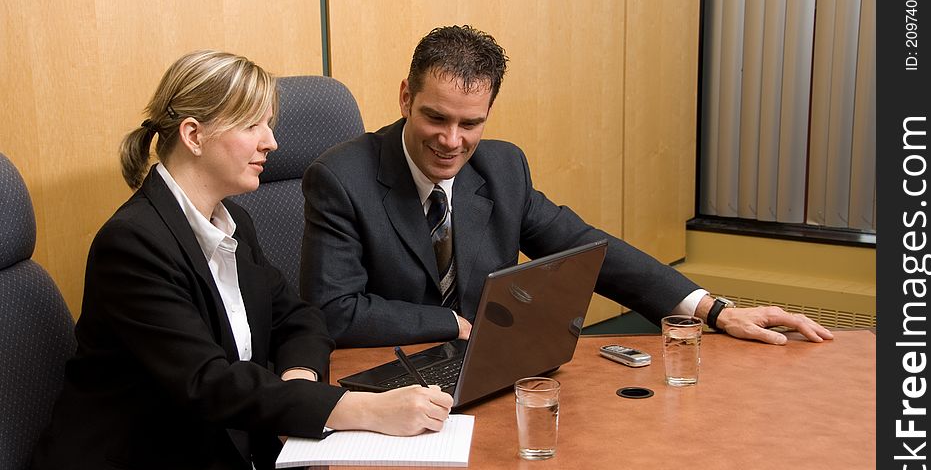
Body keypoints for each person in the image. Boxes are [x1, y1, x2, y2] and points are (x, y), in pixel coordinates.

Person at [12, 50, 452, 470]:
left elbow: (300, 316)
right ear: (194, 135)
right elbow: (207, 382)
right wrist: (360, 409)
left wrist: (301, 377)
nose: (272, 142)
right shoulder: (133, 244)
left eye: (270, 124)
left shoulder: (230, 222)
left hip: (225, 462)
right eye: (253, 126)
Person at [300, 25, 833, 348]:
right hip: (388, 372)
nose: (451, 140)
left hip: (484, 376)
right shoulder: (341, 178)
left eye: (471, 123)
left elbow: (589, 249)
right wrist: (452, 323)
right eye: (435, 118)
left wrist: (714, 310)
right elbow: (335, 311)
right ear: (403, 99)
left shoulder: (502, 167)